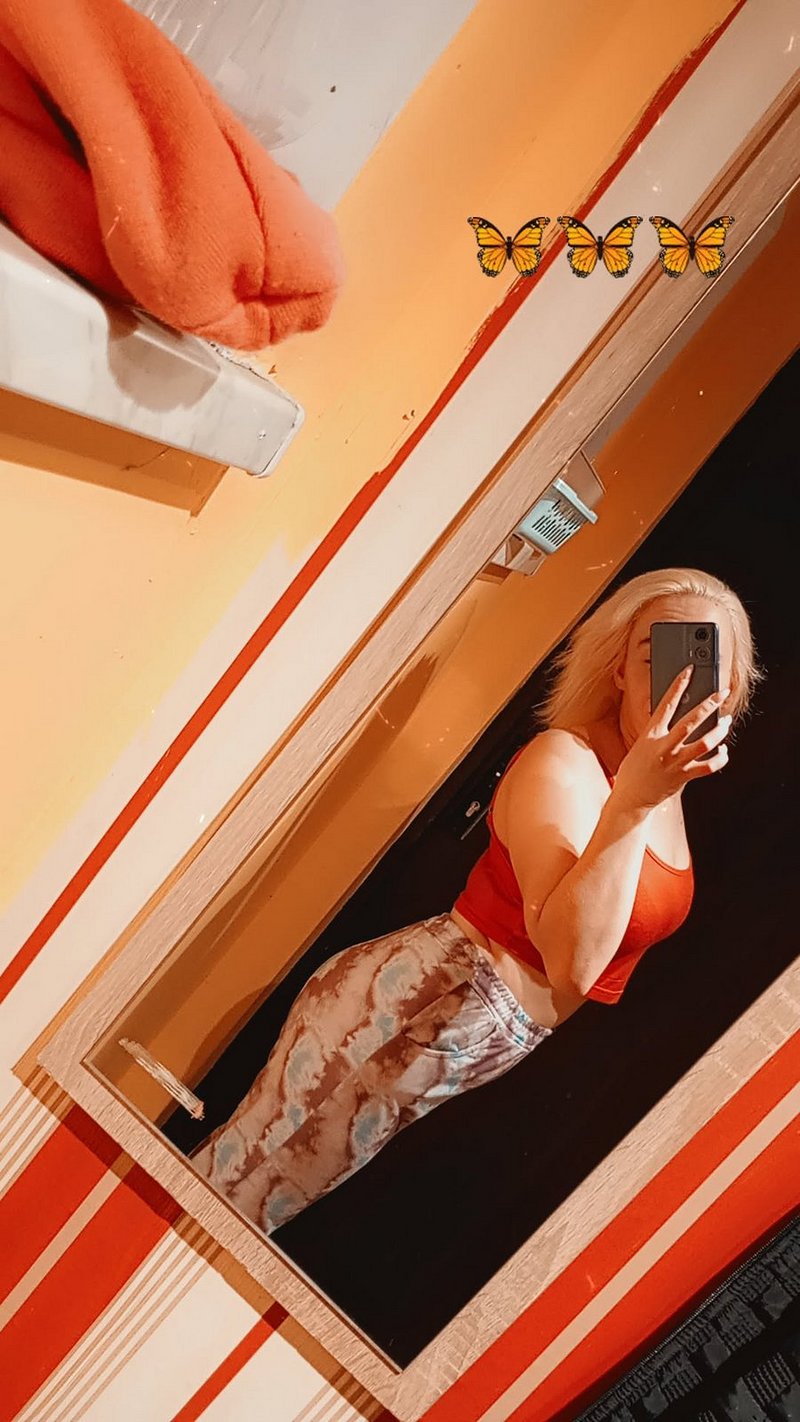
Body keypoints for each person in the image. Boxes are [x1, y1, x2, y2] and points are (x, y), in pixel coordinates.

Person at [189, 567, 762, 1235]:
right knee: (235, 1191)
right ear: (618, 673)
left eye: (703, 657)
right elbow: (572, 963)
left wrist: (643, 796)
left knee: (251, 1202)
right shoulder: (567, 763)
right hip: (410, 1007)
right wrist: (632, 802)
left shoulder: (664, 796)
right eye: (657, 655)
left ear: (732, 684)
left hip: (451, 1035)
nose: (681, 679)